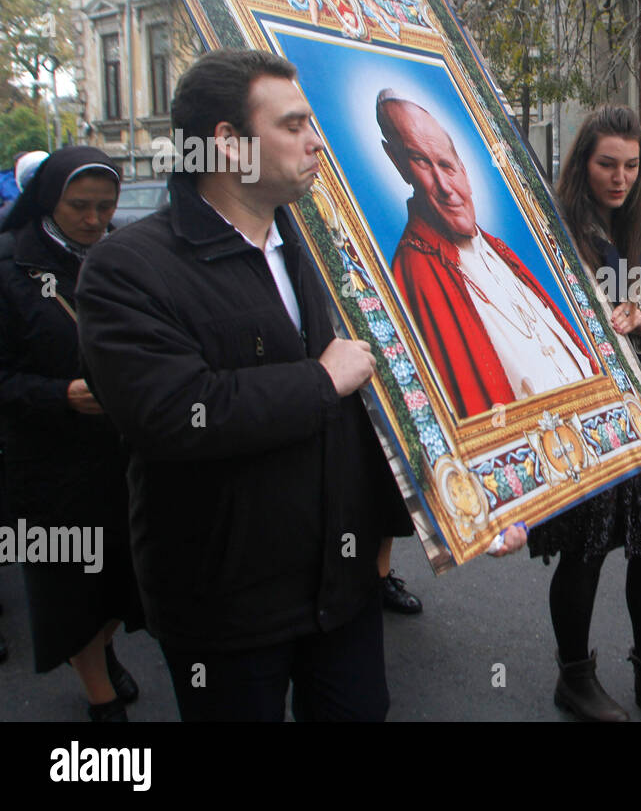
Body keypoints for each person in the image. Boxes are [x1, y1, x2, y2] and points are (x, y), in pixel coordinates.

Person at [76, 49, 414, 721]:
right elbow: (172, 414)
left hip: (339, 589)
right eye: (293, 126)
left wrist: (467, 504)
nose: (316, 141)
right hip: (224, 606)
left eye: (312, 123)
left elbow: (379, 401)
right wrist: (319, 380)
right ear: (230, 145)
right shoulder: (129, 267)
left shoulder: (320, 250)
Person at [525, 105, 641, 722]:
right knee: (586, 546)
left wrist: (638, 321)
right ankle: (574, 679)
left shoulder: (640, 232)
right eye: (608, 163)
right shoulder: (550, 231)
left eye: (631, 165)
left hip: (636, 404)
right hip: (576, 410)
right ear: (583, 163)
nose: (620, 177)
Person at [0, 146, 144, 721]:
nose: (93, 220)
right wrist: (58, 396)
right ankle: (101, 703)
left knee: (121, 577)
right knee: (70, 585)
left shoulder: (123, 255)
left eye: (105, 207)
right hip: (50, 463)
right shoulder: (10, 267)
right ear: (46, 200)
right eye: (79, 207)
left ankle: (103, 648)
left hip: (124, 454)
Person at [377, 90, 598, 419]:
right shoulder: (417, 269)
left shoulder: (499, 249)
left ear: (464, 170)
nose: (445, 186)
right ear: (398, 165)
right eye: (421, 162)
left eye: (447, 166)